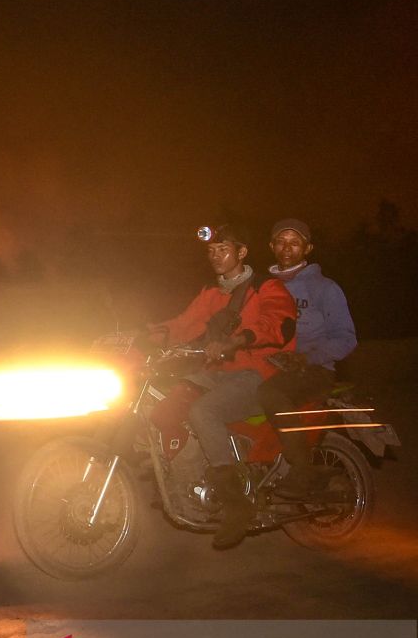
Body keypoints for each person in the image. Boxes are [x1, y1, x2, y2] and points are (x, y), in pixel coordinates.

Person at [148, 223, 297, 549]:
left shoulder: (266, 288)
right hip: (217, 372)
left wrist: (237, 340)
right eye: (211, 251)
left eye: (223, 250)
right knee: (164, 407)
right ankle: (187, 487)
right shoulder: (212, 294)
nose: (216, 257)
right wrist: (140, 335)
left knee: (204, 411)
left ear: (242, 252)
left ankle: (236, 503)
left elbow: (278, 325)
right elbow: (183, 325)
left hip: (258, 374)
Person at [256, 218, 358, 498]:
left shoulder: (324, 288)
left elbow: (346, 338)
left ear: (307, 248)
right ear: (271, 246)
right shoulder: (261, 287)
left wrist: (306, 357)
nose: (287, 248)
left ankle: (301, 470)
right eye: (281, 241)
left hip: (313, 371)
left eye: (295, 242)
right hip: (267, 367)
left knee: (270, 393)